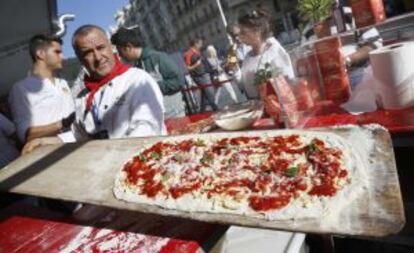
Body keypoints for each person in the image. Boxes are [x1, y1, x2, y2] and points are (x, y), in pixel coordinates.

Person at [23, 25, 166, 154]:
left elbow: (147, 130)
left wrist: (112, 159)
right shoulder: (83, 97)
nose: (98, 57)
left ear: (111, 47)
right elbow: (79, 135)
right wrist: (46, 141)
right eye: (88, 53)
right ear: (80, 58)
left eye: (101, 47)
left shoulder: (137, 80)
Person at [8, 34, 75, 144]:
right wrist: (63, 124)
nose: (63, 57)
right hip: (50, 153)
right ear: (40, 54)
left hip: (77, 145)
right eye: (57, 52)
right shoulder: (21, 89)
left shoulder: (62, 82)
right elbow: (24, 135)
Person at [110, 27, 187, 118]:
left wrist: (151, 87)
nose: (120, 55)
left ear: (129, 47)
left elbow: (179, 81)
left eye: (120, 51)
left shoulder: (158, 58)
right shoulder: (136, 66)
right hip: (156, 118)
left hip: (174, 116)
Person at [233, 9, 295, 100]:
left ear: (257, 31)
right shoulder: (248, 56)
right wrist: (235, 71)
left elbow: (288, 81)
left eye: (243, 32)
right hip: (256, 107)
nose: (239, 37)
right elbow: (245, 87)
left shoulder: (273, 51)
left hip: (276, 105)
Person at [184, 38, 219, 112]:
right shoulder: (188, 54)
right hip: (200, 76)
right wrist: (196, 65)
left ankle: (202, 111)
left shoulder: (197, 52)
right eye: (200, 44)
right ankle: (215, 108)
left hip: (204, 74)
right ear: (195, 44)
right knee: (210, 92)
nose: (201, 45)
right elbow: (188, 68)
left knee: (205, 93)